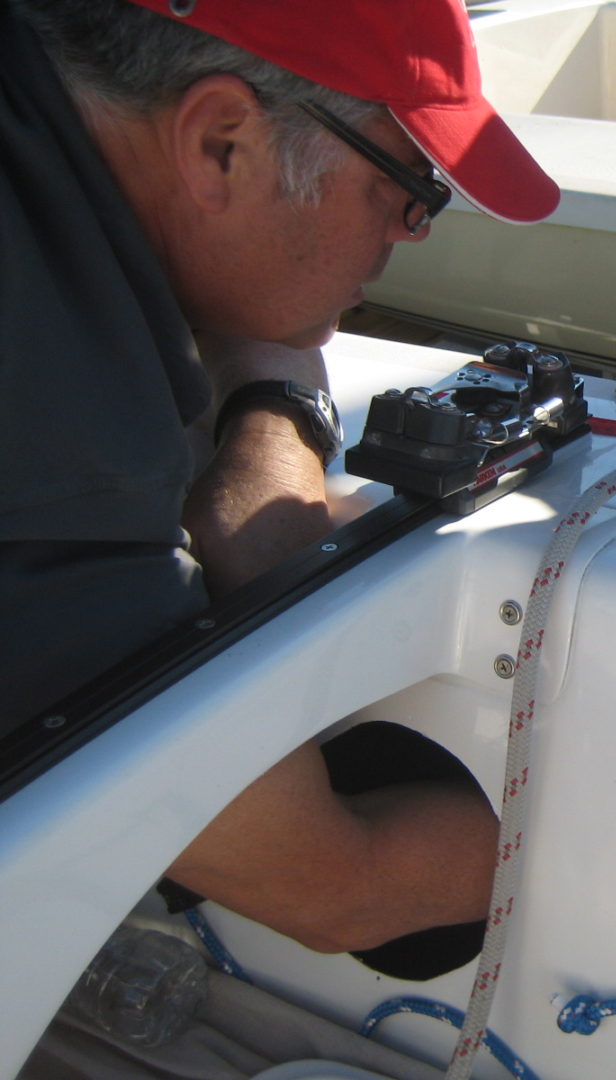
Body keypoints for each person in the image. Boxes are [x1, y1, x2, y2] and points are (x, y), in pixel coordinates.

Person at [0, 0, 558, 953]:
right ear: (221, 142)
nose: (416, 228)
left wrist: (265, 455)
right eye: (405, 182)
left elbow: (265, 313)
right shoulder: (61, 429)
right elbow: (338, 886)